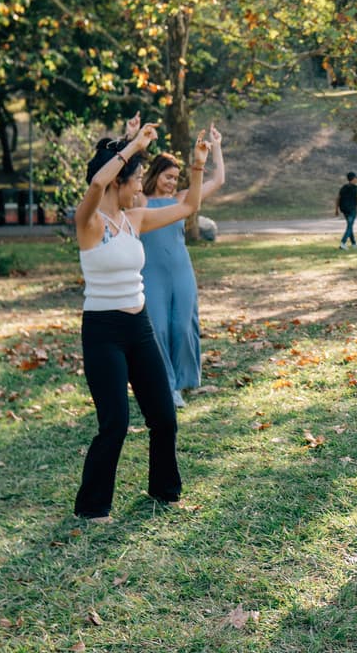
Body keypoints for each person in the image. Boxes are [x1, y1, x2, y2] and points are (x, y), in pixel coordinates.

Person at [72, 120, 212, 523]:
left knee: (164, 417)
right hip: (103, 332)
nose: (141, 188)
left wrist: (198, 166)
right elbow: (98, 184)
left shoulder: (134, 220)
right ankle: (92, 507)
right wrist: (133, 144)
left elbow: (189, 207)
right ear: (120, 182)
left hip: (140, 327)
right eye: (134, 181)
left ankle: (164, 491)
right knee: (114, 423)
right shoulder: (89, 222)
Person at [137, 123, 225, 409]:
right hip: (151, 272)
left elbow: (218, 180)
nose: (172, 183)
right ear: (155, 175)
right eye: (167, 176)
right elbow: (122, 176)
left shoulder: (180, 200)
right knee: (158, 328)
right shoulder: (139, 200)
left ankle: (179, 384)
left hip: (181, 270)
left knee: (182, 326)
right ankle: (166, 385)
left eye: (176, 178)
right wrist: (136, 141)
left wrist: (217, 147)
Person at [335, 171, 357, 249]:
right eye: (356, 178)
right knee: (349, 226)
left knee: (350, 225)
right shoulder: (355, 188)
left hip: (344, 209)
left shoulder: (343, 187)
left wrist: (336, 209)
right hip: (352, 210)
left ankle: (354, 244)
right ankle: (343, 242)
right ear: (353, 179)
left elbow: (338, 198)